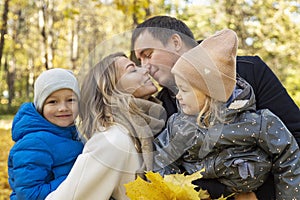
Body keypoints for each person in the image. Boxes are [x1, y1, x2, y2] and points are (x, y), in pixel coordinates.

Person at [131, 15, 300, 199]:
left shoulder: (250, 71)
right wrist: (229, 193)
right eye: (139, 60)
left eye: (148, 55)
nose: (145, 66)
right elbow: (168, 171)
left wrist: (259, 192)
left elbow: (293, 139)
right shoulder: (164, 108)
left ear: (175, 41)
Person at [45, 52, 167, 200]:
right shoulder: (113, 140)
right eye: (132, 70)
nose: (145, 69)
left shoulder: (148, 127)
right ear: (110, 89)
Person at [7, 68, 84, 200]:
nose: (63, 108)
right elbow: (30, 195)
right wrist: (79, 177)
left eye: (70, 100)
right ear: (40, 107)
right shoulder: (33, 143)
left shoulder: (74, 133)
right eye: (53, 102)